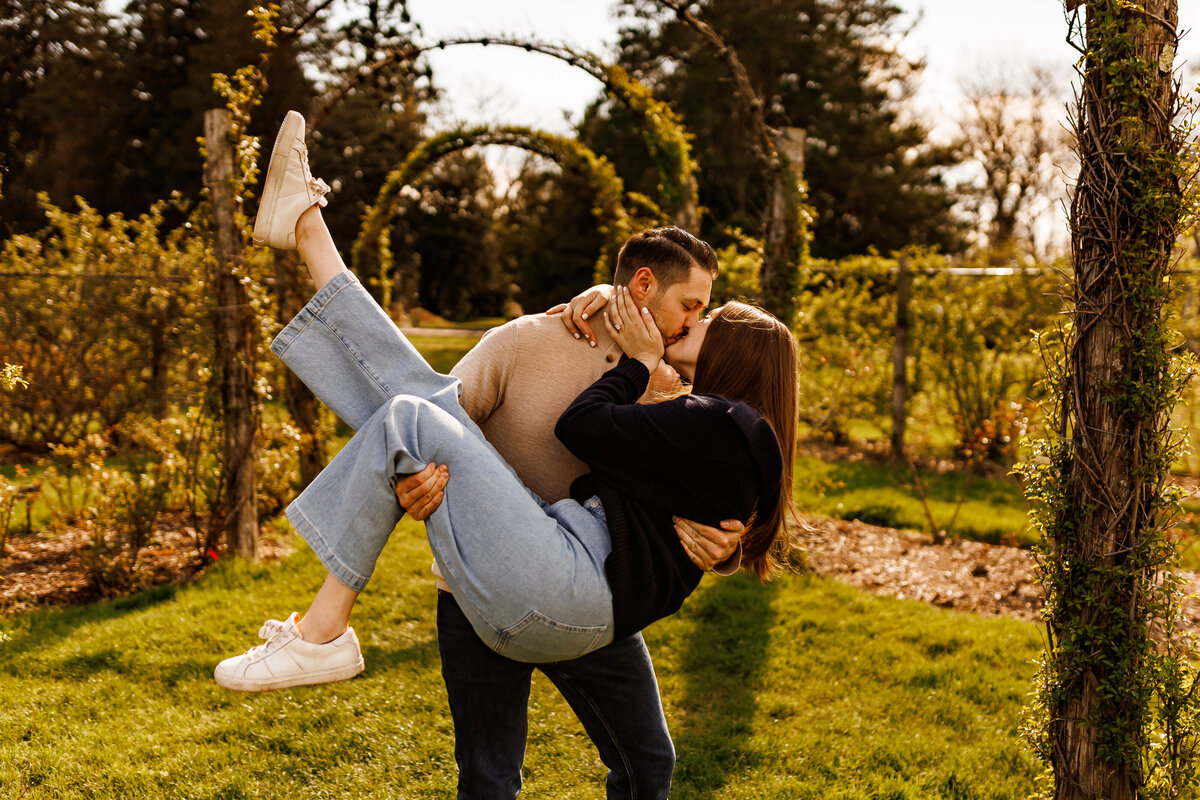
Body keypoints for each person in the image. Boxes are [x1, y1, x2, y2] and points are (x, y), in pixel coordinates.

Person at [214, 111, 796, 797]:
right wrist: (404, 489)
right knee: (413, 408)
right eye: (690, 305)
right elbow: (432, 425)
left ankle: (309, 229)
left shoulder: (679, 391)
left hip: (587, 576)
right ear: (641, 287)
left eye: (704, 313)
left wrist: (729, 540)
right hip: (484, 580)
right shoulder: (531, 340)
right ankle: (308, 228)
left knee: (650, 764)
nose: (694, 322)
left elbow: (717, 481)